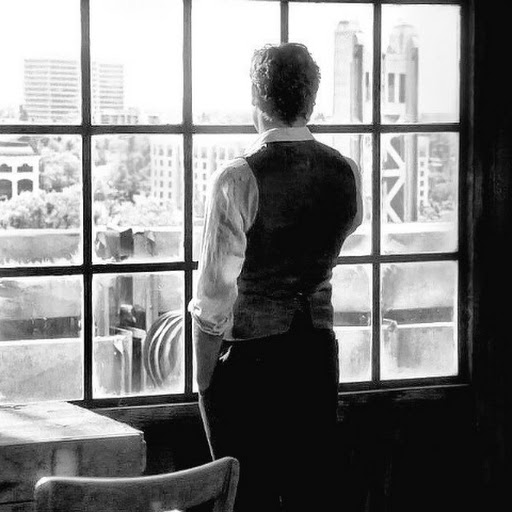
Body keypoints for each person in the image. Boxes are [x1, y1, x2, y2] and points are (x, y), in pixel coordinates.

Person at [189, 43, 362, 512]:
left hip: (252, 362)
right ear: (312, 101)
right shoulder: (346, 172)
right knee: (312, 495)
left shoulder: (237, 178)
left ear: (255, 97)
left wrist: (204, 380)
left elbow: (214, 295)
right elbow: (345, 228)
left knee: (248, 498)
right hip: (317, 354)